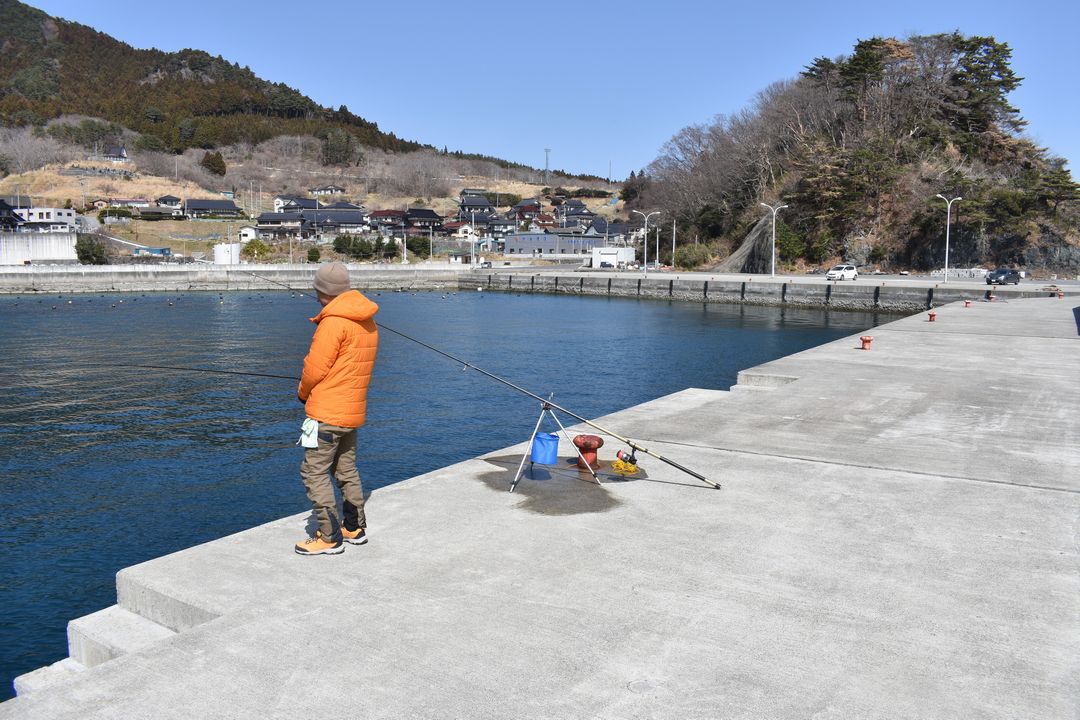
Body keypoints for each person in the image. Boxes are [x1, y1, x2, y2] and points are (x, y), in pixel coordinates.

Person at [295, 261, 379, 555]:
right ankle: (354, 528)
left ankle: (329, 537)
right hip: (352, 412)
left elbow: (315, 369)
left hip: (325, 413)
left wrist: (303, 392)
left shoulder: (333, 322)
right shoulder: (366, 320)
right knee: (346, 469)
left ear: (323, 292)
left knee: (313, 472)